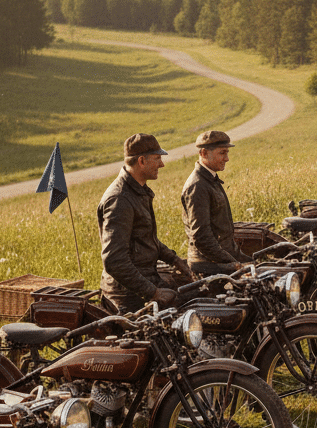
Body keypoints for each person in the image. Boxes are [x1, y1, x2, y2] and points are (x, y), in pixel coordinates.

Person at [96, 133, 192, 313]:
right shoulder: (119, 199)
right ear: (141, 161)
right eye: (157, 159)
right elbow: (114, 261)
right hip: (127, 294)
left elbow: (145, 239)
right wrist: (153, 293)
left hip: (144, 280)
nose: (161, 164)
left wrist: (174, 259)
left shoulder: (138, 191)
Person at [180, 129, 247, 277]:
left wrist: (244, 259)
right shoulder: (197, 186)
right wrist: (233, 263)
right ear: (204, 153)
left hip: (220, 260)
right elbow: (201, 238)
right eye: (222, 153)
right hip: (208, 265)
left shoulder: (210, 180)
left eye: (227, 153)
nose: (227, 158)